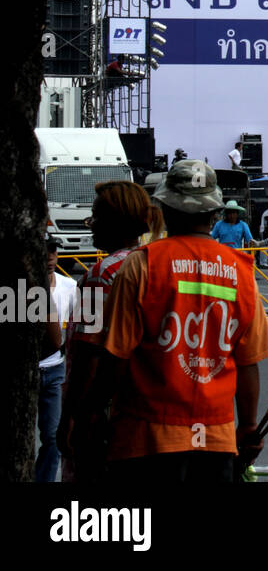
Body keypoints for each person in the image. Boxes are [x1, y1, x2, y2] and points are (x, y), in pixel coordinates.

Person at [74, 159, 268, 482]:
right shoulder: (241, 272)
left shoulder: (141, 266)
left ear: (165, 208)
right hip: (216, 441)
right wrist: (249, 426)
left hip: (146, 440)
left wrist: (91, 415)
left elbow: (114, 356)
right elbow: (248, 362)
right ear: (214, 214)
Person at [58, 180, 163, 483]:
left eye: (95, 217)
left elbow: (88, 354)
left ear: (114, 222)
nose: (90, 225)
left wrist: (71, 418)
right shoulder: (155, 264)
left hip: (101, 414)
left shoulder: (101, 275)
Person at [37, 242, 79, 482]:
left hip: (55, 367)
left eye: (53, 250)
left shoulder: (70, 286)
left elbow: (76, 332)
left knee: (52, 438)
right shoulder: (19, 289)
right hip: (34, 367)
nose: (50, 257)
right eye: (45, 251)